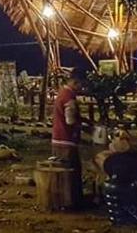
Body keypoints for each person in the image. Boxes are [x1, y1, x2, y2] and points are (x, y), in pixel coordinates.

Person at [51, 68, 85, 205]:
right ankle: (72, 202)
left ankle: (63, 201)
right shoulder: (69, 98)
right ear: (75, 82)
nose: (82, 87)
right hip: (66, 140)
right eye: (81, 84)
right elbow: (70, 120)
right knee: (71, 174)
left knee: (61, 173)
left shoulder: (61, 93)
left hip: (57, 139)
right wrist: (81, 126)